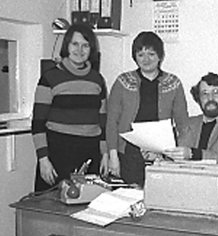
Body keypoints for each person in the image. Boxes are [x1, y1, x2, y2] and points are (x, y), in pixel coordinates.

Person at [32, 24, 108, 192]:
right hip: (58, 153)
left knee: (85, 209)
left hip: (89, 154)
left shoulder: (97, 80)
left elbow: (103, 122)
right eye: (75, 44)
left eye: (85, 45)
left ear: (91, 49)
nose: (79, 50)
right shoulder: (50, 78)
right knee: (50, 210)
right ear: (66, 45)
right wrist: (43, 159)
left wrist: (105, 154)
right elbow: (38, 123)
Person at [106, 31, 189, 187]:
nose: (146, 59)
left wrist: (178, 156)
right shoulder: (122, 82)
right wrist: (113, 156)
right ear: (135, 56)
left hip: (162, 154)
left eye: (151, 54)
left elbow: (183, 123)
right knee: (130, 196)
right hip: (128, 153)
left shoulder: (174, 83)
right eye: (141, 54)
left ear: (160, 56)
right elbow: (111, 122)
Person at [164, 72, 218, 168]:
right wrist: (160, 155)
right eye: (204, 93)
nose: (210, 98)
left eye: (215, 92)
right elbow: (177, 153)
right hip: (189, 179)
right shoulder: (190, 123)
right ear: (199, 99)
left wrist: (194, 154)